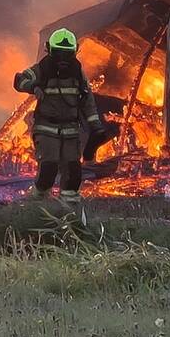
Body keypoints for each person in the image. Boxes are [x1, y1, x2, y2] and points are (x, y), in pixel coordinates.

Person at [13, 27, 104, 206]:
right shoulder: (42, 68)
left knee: (73, 168)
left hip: (70, 129)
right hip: (46, 127)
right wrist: (34, 86)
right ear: (50, 50)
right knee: (49, 166)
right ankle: (38, 200)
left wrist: (96, 125)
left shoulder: (78, 72)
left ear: (75, 52)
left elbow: (87, 100)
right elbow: (19, 80)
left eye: (67, 54)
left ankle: (69, 206)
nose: (63, 59)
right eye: (59, 53)